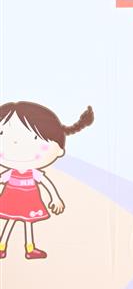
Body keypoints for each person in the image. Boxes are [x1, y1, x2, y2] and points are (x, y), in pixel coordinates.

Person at [0, 102, 94, 259]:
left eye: (34, 137)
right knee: (10, 221)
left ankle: (30, 248)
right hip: (11, 201)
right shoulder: (10, 173)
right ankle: (2, 246)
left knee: (28, 223)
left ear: (58, 150)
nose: (16, 143)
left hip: (29, 202)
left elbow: (46, 183)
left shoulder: (34, 173)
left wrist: (55, 198)